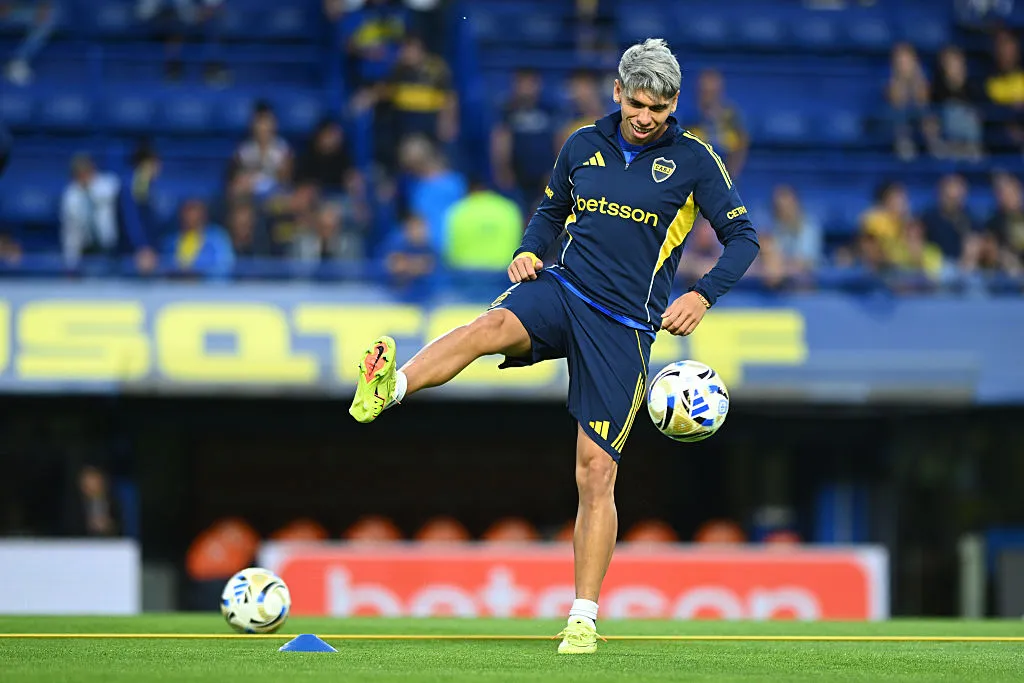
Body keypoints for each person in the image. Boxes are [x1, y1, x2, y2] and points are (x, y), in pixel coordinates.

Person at [348, 38, 759, 654]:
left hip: (625, 327)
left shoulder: (696, 160)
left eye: (661, 106)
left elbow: (745, 238)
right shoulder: (580, 146)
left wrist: (703, 295)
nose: (648, 116)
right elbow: (549, 211)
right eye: (639, 103)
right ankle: (391, 386)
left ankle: (583, 618)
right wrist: (527, 248)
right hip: (563, 288)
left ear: (674, 105)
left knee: (595, 474)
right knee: (485, 329)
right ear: (617, 92)